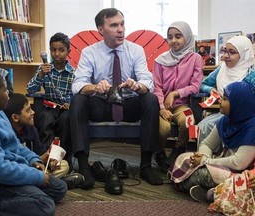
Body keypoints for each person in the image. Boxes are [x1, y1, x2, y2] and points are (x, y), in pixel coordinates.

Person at [70, 8, 161, 189]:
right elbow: (77, 84)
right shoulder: (89, 52)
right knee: (79, 100)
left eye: (122, 24)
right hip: (102, 103)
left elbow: (146, 80)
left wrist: (137, 86)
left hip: (129, 103)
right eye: (113, 25)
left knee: (150, 99)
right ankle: (83, 167)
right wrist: (95, 87)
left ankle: (145, 165)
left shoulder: (136, 50)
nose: (120, 29)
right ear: (101, 30)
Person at [0, 71, 67, 216]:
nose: (9, 93)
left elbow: (16, 146)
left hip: (10, 170)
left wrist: (33, 160)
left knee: (59, 188)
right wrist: (36, 177)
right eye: (5, 90)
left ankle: (25, 194)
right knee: (44, 205)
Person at [169, 81, 255, 204]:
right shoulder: (225, 121)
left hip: (241, 172)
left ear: (238, 104)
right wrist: (203, 157)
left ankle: (214, 193)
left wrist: (204, 162)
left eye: (225, 99)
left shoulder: (252, 127)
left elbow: (238, 163)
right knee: (184, 158)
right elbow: (207, 144)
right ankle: (215, 192)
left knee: (201, 173)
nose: (220, 100)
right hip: (222, 163)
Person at [152, 21, 204, 173]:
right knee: (163, 128)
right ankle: (160, 153)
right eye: (170, 37)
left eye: (178, 36)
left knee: (188, 121)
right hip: (162, 106)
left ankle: (178, 150)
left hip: (182, 104)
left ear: (187, 37)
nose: (173, 40)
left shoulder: (195, 59)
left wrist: (175, 93)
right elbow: (156, 87)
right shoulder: (160, 60)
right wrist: (161, 108)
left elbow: (195, 86)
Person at [4, 93, 85, 188]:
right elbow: (12, 163)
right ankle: (52, 183)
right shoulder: (7, 133)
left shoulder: (31, 129)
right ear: (15, 117)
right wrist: (38, 161)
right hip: (20, 169)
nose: (33, 112)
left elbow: (39, 152)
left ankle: (45, 182)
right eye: (28, 110)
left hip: (35, 166)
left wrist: (49, 160)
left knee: (64, 165)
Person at [26, 32, 75, 167]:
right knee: (44, 119)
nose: (57, 54)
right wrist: (41, 75)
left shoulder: (74, 72)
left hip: (66, 108)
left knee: (66, 121)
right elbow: (29, 90)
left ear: (68, 51)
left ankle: (64, 158)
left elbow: (78, 93)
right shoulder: (44, 69)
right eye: (53, 50)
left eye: (61, 50)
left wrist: (71, 103)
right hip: (49, 107)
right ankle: (46, 157)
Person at [197, 35, 255, 146]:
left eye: (232, 52)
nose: (226, 56)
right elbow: (202, 84)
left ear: (244, 55)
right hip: (223, 114)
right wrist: (210, 89)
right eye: (225, 51)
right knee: (203, 126)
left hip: (244, 118)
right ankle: (204, 159)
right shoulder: (222, 69)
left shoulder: (251, 76)